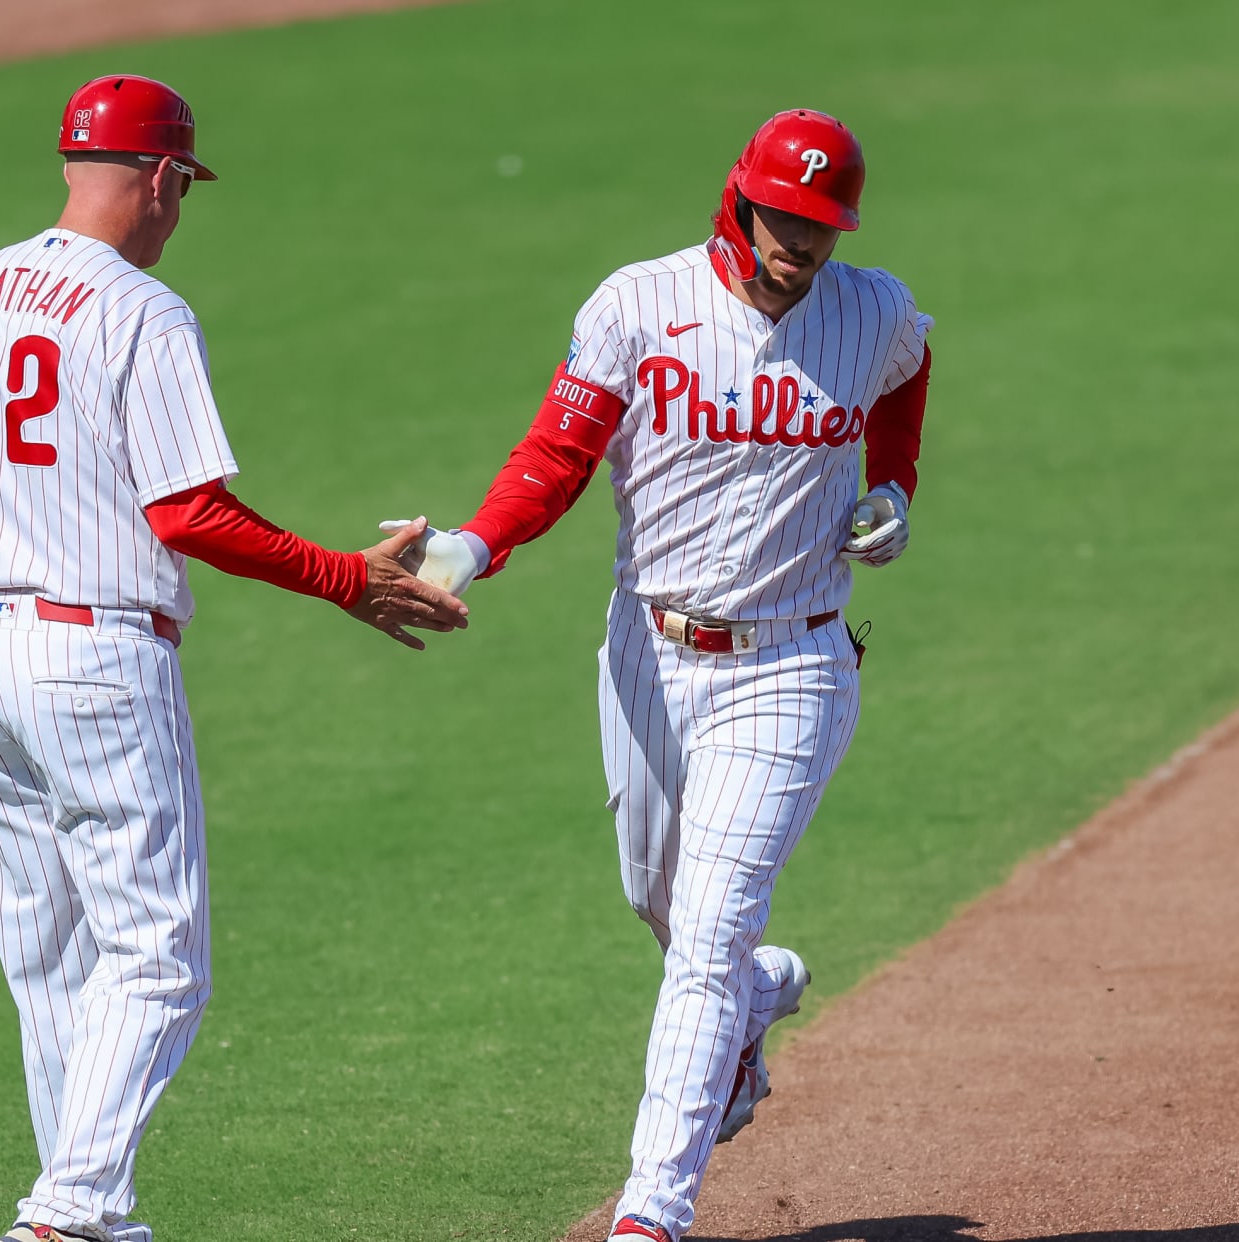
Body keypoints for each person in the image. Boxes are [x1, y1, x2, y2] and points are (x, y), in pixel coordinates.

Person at [0, 74, 468, 1242]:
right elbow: (189, 516)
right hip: (93, 665)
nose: (178, 209)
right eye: (183, 186)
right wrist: (343, 575)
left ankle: (89, 1217)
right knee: (157, 964)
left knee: (55, 976)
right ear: (158, 178)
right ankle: (64, 1213)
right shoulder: (141, 311)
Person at [407, 108, 931, 1242]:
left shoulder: (871, 309)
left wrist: (894, 485)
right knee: (658, 897)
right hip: (648, 652)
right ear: (740, 198)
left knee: (705, 933)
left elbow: (908, 368)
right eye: (783, 215)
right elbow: (557, 452)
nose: (800, 240)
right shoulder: (638, 305)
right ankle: (752, 1002)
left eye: (822, 222)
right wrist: (471, 547)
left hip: (792, 658)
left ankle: (652, 1214)